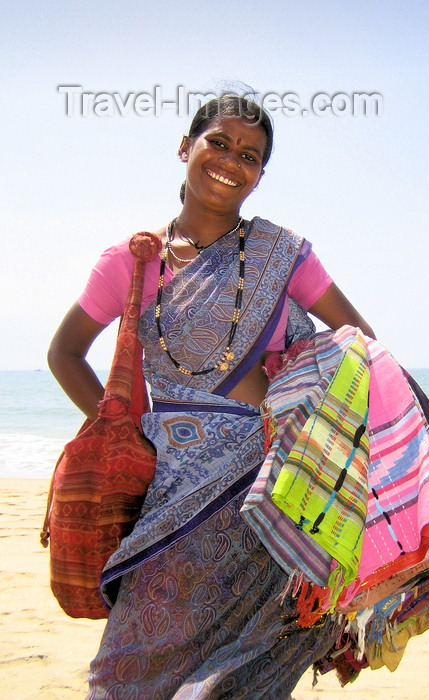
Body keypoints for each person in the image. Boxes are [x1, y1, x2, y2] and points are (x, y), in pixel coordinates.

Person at [48, 94, 375, 699]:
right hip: (174, 491)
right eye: (218, 143)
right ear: (186, 148)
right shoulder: (133, 260)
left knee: (250, 673)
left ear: (260, 175)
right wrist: (125, 430)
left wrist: (298, 380)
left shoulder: (284, 254)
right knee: (127, 667)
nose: (232, 161)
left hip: (272, 494)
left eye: (251, 156)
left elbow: (359, 344)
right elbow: (64, 353)